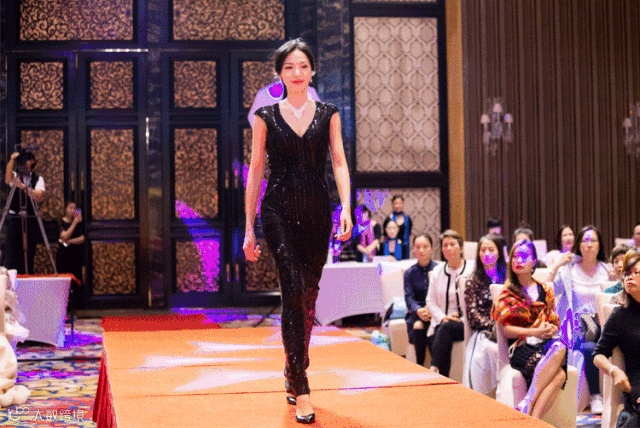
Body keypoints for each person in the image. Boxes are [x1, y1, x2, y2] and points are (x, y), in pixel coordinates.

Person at [242, 38, 352, 425]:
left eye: (303, 65)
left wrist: (346, 207)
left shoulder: (329, 114)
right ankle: (301, 387)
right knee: (291, 289)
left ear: (313, 70)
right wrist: (248, 227)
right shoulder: (265, 117)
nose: (297, 72)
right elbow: (256, 170)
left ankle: (293, 366)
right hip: (278, 212)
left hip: (318, 212)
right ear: (279, 74)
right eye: (289, 67)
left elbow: (339, 162)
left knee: (308, 297)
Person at [492, 239, 567, 419]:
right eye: (515, 256)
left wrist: (550, 328)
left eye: (524, 256)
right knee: (560, 375)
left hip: (545, 344)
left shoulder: (545, 290)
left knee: (560, 349)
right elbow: (507, 331)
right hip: (520, 348)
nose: (518, 260)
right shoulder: (507, 293)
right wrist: (535, 332)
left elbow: (554, 321)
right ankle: (531, 408)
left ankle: (530, 413)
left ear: (534, 261)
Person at [554, 225, 613, 413]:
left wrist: (618, 278)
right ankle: (596, 396)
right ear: (578, 245)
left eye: (593, 240)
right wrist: (556, 266)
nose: (589, 245)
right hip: (577, 325)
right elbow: (551, 290)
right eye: (585, 241)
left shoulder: (606, 270)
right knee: (589, 347)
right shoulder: (569, 270)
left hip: (603, 323)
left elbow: (615, 297)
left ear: (599, 245)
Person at [594, 251, 640, 427]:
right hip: (637, 383)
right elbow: (598, 355)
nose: (630, 277)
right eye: (627, 273)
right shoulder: (620, 315)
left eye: (636, 272)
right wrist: (614, 370)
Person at [426, 229, 474, 376]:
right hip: (442, 321)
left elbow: (475, 300)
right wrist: (443, 317)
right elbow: (430, 300)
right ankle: (443, 377)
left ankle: (434, 369)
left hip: (465, 322)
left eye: (452, 244)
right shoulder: (437, 271)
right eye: (445, 245)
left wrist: (460, 318)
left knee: (444, 331)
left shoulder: (472, 269)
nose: (448, 248)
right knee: (441, 333)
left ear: (461, 248)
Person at [463, 233, 507, 394]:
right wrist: (494, 325)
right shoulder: (473, 281)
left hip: (509, 330)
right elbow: (473, 317)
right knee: (488, 352)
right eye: (483, 250)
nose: (486, 253)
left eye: (491, 249)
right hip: (484, 332)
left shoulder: (508, 278)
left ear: (499, 252)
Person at [3, 151, 45, 274]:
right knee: (12, 252)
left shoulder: (38, 179)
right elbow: (7, 178)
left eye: (26, 160)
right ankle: (11, 278)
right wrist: (12, 160)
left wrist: (22, 186)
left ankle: (27, 275)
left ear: (32, 162)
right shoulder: (15, 176)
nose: (23, 164)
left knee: (29, 252)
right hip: (14, 218)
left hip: (30, 218)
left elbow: (39, 196)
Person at [404, 234, 439, 367]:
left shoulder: (438, 270)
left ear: (432, 248)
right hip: (417, 313)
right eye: (418, 247)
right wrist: (419, 310)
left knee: (432, 327)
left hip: (435, 311)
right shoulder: (409, 273)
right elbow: (409, 298)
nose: (421, 250)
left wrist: (430, 310)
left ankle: (435, 366)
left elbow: (441, 295)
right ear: (413, 249)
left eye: (425, 247)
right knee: (418, 325)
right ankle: (420, 365)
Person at [56, 201, 85, 309]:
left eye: (74, 208)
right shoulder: (60, 221)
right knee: (64, 280)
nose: (72, 210)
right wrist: (74, 223)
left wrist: (69, 241)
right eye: (70, 208)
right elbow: (64, 236)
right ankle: (64, 305)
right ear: (65, 209)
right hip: (63, 256)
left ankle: (77, 305)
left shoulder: (79, 222)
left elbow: (81, 239)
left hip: (75, 255)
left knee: (76, 280)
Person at [383, 195, 412, 261]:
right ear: (392, 205)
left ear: (403, 204)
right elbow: (385, 236)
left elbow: (409, 234)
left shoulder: (408, 219)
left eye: (400, 203)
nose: (397, 205)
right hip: (390, 247)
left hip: (403, 247)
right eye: (395, 203)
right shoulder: (388, 218)